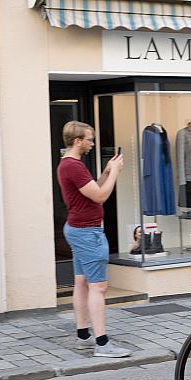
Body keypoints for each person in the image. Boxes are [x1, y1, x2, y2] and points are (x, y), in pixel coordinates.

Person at [57, 121, 132, 358]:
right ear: (77, 140)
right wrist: (116, 174)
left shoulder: (69, 164)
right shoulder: (73, 166)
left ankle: (83, 336)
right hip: (87, 233)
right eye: (89, 139)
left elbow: (91, 190)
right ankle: (102, 344)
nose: (92, 143)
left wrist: (107, 172)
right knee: (98, 287)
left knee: (81, 282)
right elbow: (100, 196)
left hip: (78, 229)